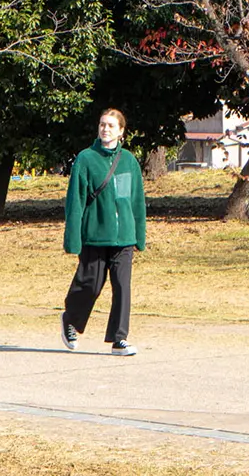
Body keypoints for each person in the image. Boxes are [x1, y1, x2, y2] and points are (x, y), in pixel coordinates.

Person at [60, 108, 146, 356]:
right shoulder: (86, 159)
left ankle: (119, 339)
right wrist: (73, 239)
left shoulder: (129, 161)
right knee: (90, 285)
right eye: (102, 124)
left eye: (110, 125)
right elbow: (75, 201)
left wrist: (139, 235)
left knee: (122, 287)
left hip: (124, 237)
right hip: (95, 235)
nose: (105, 129)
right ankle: (70, 319)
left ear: (121, 131)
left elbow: (136, 200)